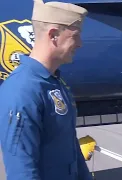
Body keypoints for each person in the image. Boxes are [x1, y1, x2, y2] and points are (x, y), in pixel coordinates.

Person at [0, 0, 91, 180]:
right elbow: (22, 171)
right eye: (75, 35)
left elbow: (71, 146)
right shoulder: (22, 90)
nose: (80, 43)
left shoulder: (55, 82)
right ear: (53, 35)